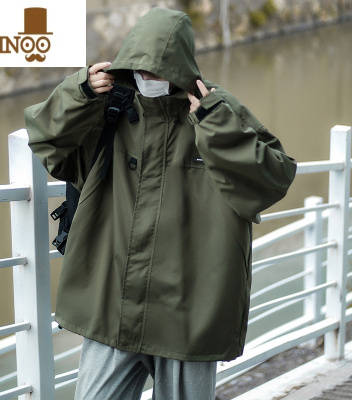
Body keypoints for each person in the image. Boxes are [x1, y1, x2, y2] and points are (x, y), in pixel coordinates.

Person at [24, 7, 296, 400]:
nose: (147, 77)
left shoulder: (214, 107)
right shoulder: (109, 108)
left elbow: (273, 178)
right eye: (139, 68)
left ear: (180, 66)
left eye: (157, 69)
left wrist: (215, 125)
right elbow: (46, 141)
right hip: (113, 306)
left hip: (189, 314)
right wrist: (78, 93)